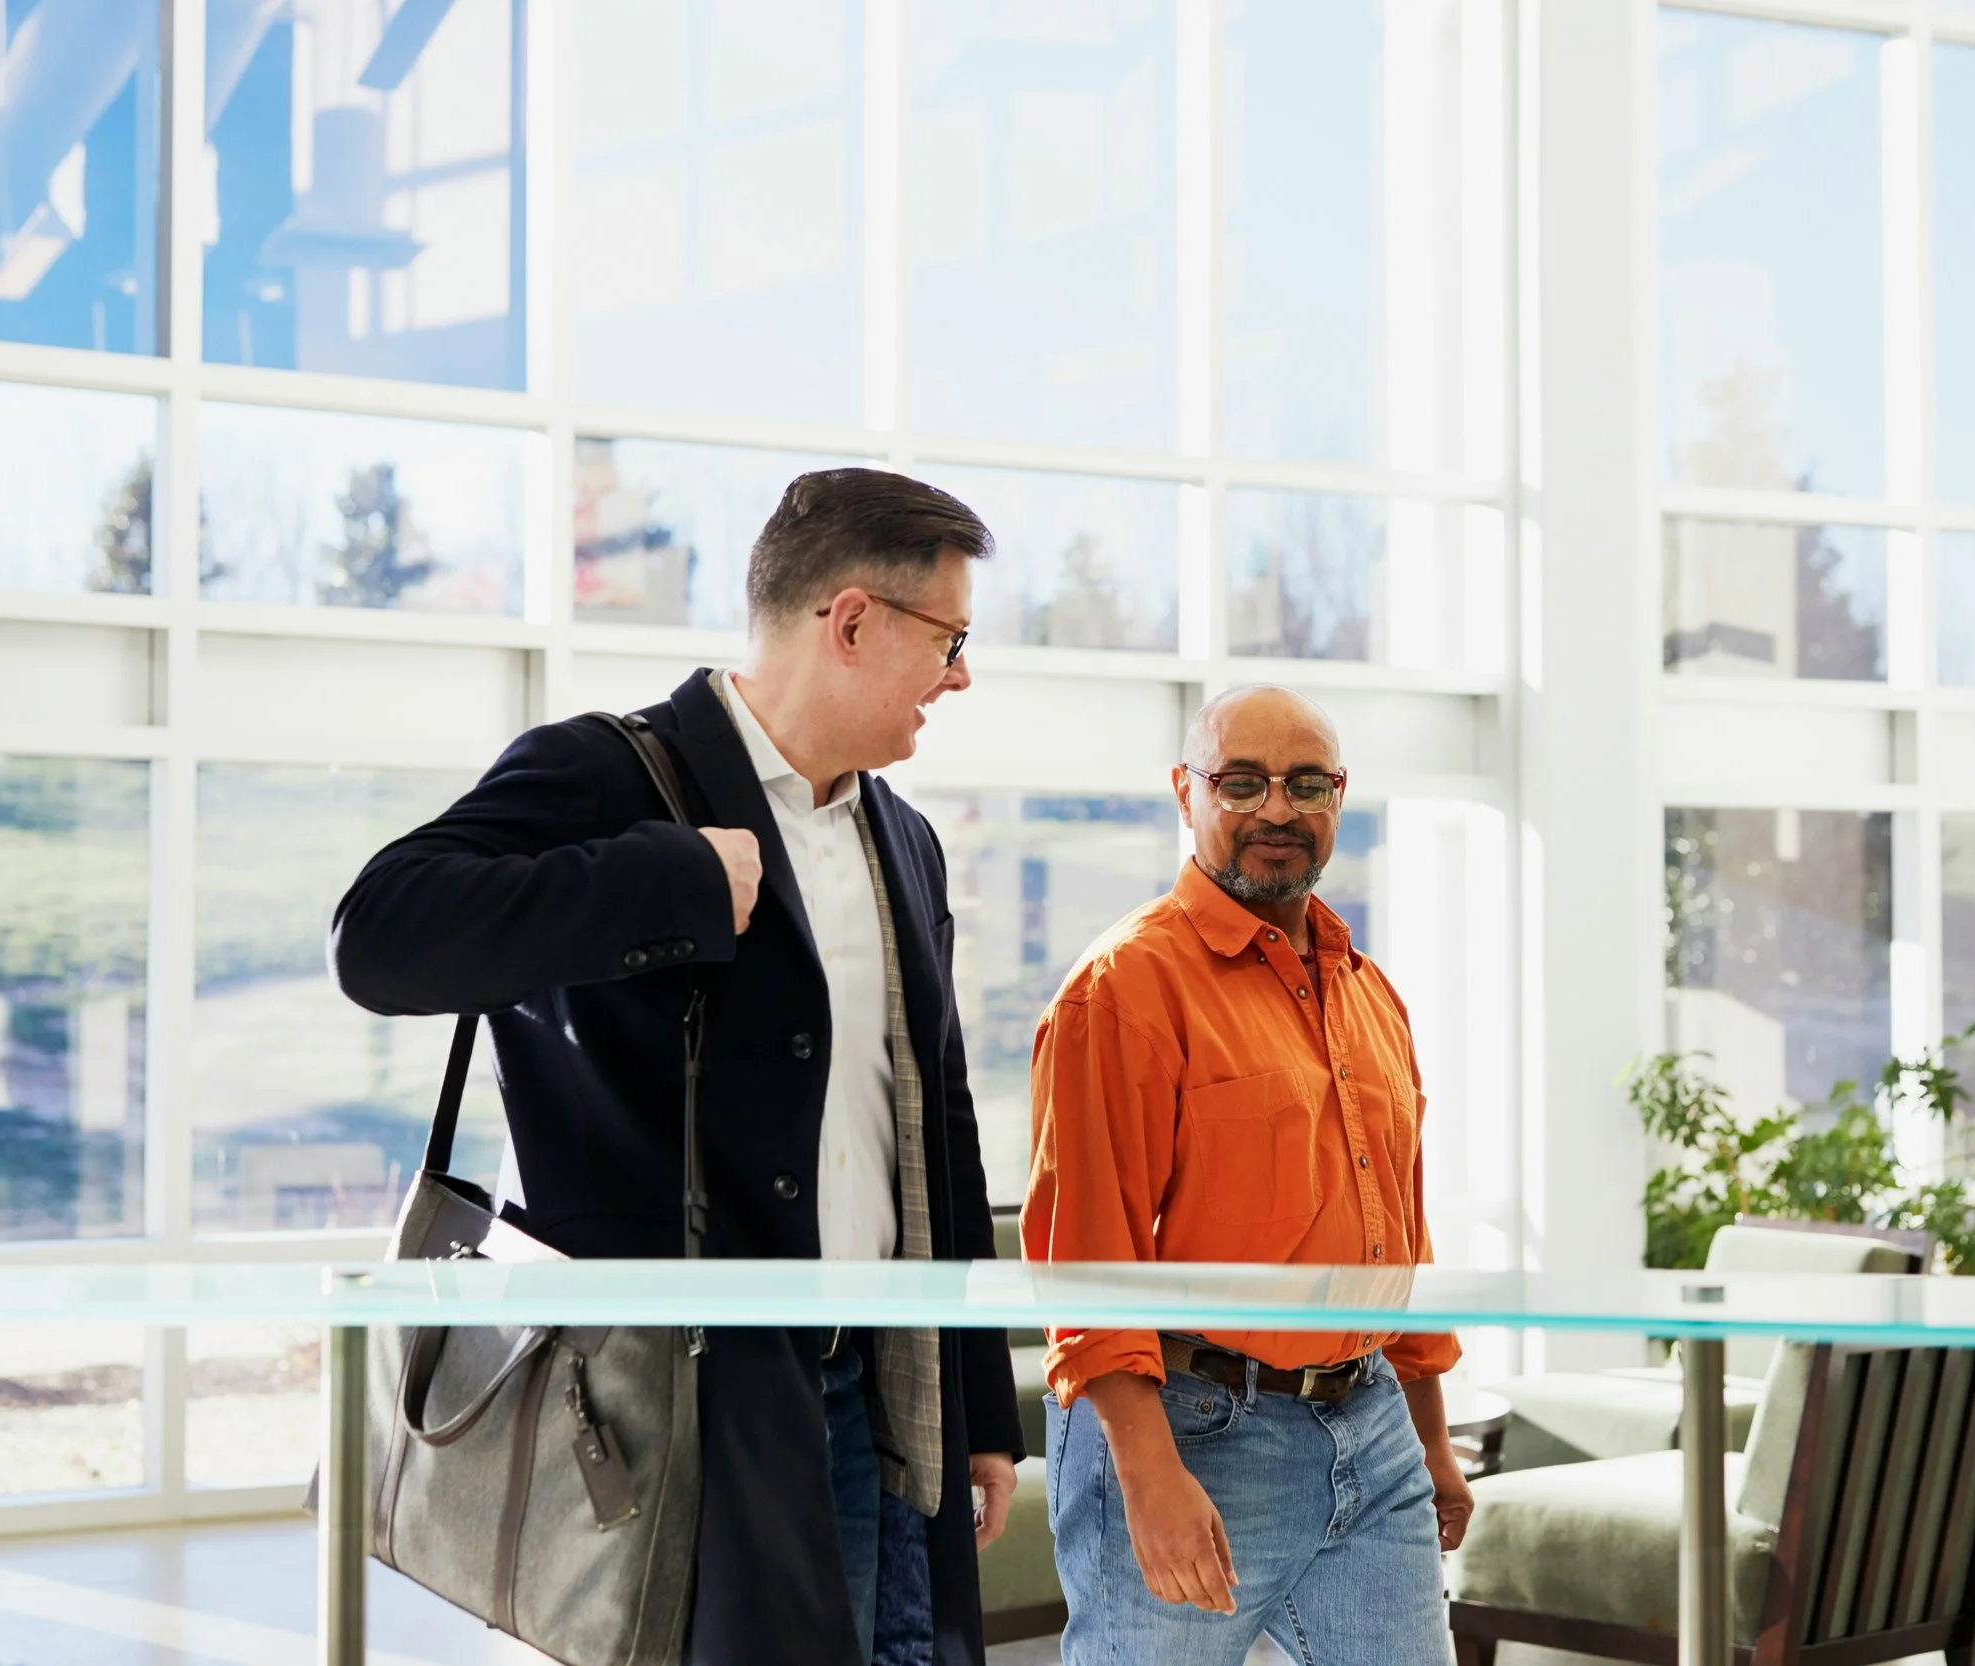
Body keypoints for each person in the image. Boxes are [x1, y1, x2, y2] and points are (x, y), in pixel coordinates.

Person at [330, 468, 1023, 1666]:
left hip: (872, 1383)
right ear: (851, 622)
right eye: (949, 638)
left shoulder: (902, 838)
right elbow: (380, 936)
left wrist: (975, 1407)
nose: (960, 674)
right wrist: (670, 880)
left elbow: (935, 1122)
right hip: (676, 1402)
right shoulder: (607, 773)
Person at [1021, 685, 1475, 1665]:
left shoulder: (1366, 990)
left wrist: (1429, 1434)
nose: (1277, 808)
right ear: (1186, 794)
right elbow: (1084, 1258)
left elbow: (1396, 1231)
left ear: (1338, 799)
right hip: (1193, 1432)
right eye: (1242, 782)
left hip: (1372, 1426)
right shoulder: (1124, 987)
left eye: (1305, 783)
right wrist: (1147, 1477)